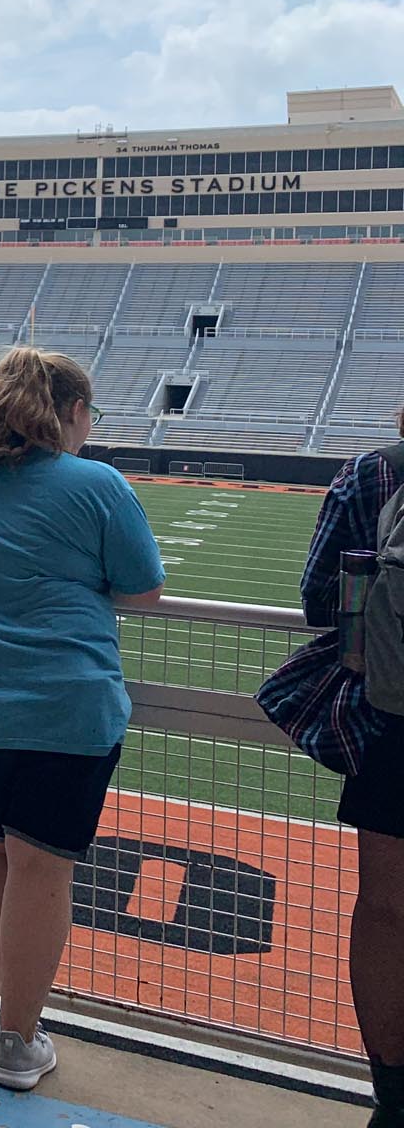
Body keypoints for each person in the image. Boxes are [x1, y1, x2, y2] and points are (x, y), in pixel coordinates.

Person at [0, 346, 162, 1093]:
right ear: (72, 413)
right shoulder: (97, 484)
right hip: (64, 706)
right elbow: (143, 587)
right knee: (43, 865)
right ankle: (19, 1041)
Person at [299, 409, 404, 1128]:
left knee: (387, 911)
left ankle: (393, 1100)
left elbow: (316, 598)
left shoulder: (376, 471)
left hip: (393, 725)